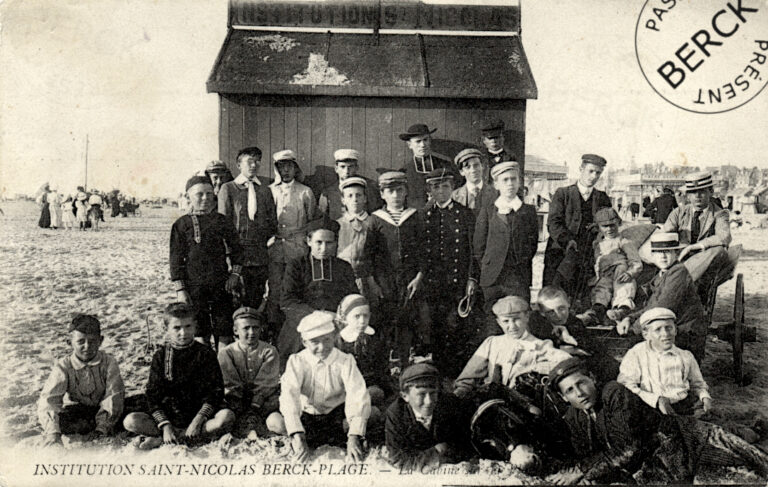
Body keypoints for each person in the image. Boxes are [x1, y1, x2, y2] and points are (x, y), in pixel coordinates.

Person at [549, 358, 768, 484]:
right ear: (563, 398)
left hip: (686, 441)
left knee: (750, 459)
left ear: (593, 379)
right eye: (569, 390)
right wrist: (580, 470)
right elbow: (588, 453)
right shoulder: (574, 417)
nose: (579, 393)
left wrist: (582, 470)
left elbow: (628, 448)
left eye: (582, 383)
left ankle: (752, 427)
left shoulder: (613, 393)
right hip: (655, 462)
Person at [123, 303, 235, 449]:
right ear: (166, 329)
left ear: (195, 326)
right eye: (177, 328)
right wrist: (166, 426)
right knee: (130, 421)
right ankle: (178, 436)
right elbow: (153, 394)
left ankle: (167, 440)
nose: (183, 333)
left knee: (227, 417)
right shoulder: (161, 356)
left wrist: (198, 421)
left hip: (199, 416)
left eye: (188, 326)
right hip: (170, 416)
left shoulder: (206, 354)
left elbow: (216, 392)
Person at [267, 311, 371, 462]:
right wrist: (297, 434)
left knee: (370, 414)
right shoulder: (297, 361)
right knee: (274, 421)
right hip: (308, 417)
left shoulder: (345, 361)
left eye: (327, 339)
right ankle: (302, 441)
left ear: (334, 338)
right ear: (304, 342)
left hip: (337, 416)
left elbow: (357, 394)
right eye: (315, 342)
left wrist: (354, 436)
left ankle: (348, 439)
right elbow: (289, 396)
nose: (322, 347)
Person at [171, 176, 243, 349]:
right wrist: (181, 289)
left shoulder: (222, 221)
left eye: (209, 194)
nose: (205, 198)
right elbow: (175, 260)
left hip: (221, 284)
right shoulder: (181, 225)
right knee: (200, 329)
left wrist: (234, 274)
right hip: (194, 286)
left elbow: (237, 250)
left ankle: (223, 366)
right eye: (200, 194)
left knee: (224, 328)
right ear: (188, 197)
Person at [454, 296, 571, 398]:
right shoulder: (492, 343)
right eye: (505, 321)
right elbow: (468, 377)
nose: (512, 326)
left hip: (522, 405)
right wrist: (460, 392)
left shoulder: (541, 346)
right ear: (499, 322)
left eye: (517, 319)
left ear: (527, 317)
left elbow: (568, 363)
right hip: (491, 401)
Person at [422, 167, 478, 377]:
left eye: (445, 186)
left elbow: (473, 251)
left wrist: (472, 278)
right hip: (433, 284)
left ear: (453, 188)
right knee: (436, 328)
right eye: (436, 187)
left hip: (458, 281)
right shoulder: (425, 215)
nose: (441, 191)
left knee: (455, 328)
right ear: (430, 190)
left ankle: (457, 375)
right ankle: (439, 373)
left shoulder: (465, 214)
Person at [277, 222, 358, 367]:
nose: (324, 248)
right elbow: (287, 300)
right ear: (309, 241)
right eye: (318, 242)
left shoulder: (343, 267)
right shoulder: (296, 265)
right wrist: (317, 316)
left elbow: (352, 299)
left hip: (335, 323)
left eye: (329, 243)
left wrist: (341, 317)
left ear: (336, 243)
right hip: (302, 321)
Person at [368, 171, 429, 361]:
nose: (395, 195)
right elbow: (367, 255)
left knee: (407, 321)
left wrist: (419, 277)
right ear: (382, 194)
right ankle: (384, 368)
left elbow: (424, 251)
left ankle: (405, 363)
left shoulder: (415, 217)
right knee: (385, 321)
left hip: (410, 281)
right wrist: (373, 283)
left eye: (399, 190)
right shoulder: (375, 220)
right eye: (390, 191)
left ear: (405, 192)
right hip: (385, 281)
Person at [38, 314, 125, 446]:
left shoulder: (109, 362)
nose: (87, 346)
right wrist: (53, 432)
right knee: (60, 422)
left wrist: (102, 429)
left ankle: (103, 428)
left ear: (100, 340)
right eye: (81, 342)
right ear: (70, 342)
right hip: (78, 412)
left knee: (129, 414)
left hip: (105, 411)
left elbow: (113, 396)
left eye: (92, 341)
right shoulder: (64, 366)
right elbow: (50, 399)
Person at [618, 232, 707, 361]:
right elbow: (651, 307)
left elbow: (660, 308)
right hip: (668, 331)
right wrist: (629, 318)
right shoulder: (661, 275)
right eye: (659, 252)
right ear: (653, 255)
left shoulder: (678, 272)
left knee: (634, 355)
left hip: (684, 336)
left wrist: (633, 330)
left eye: (668, 252)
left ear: (676, 254)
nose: (663, 257)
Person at [543, 154, 612, 302]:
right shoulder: (563, 194)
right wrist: (567, 240)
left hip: (587, 256)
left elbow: (610, 224)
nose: (594, 176)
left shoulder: (602, 198)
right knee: (554, 297)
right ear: (581, 169)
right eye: (590, 171)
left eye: (598, 173)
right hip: (560, 254)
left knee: (581, 298)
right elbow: (553, 223)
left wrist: (599, 230)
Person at [618, 308, 711, 416]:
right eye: (658, 330)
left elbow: (698, 384)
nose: (665, 334)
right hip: (649, 405)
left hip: (681, 405)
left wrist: (705, 397)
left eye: (669, 328)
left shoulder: (686, 356)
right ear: (646, 334)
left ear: (675, 330)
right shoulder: (637, 354)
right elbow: (626, 385)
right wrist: (656, 400)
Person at [218, 147, 278, 311]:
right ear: (239, 165)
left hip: (259, 254)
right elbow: (223, 224)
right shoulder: (228, 189)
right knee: (236, 298)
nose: (254, 165)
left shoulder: (265, 190)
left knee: (256, 297)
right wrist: (229, 254)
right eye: (249, 161)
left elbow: (272, 222)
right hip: (237, 253)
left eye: (257, 161)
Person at [385, 363, 474, 472]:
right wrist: (436, 452)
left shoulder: (451, 406)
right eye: (421, 394)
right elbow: (397, 459)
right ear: (405, 396)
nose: (429, 401)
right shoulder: (396, 414)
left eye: (433, 393)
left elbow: (466, 447)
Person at [473, 161, 538, 311]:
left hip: (518, 278)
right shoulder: (488, 211)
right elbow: (479, 246)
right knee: (491, 319)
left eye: (513, 179)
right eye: (505, 180)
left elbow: (531, 245)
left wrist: (518, 264)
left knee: (519, 315)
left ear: (519, 182)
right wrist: (489, 264)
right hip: (492, 279)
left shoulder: (528, 212)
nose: (510, 184)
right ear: (496, 184)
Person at [268, 149, 318, 333]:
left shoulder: (305, 192)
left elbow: (312, 218)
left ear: (295, 167)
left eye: (289, 166)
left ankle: (300, 329)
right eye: (281, 167)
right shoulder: (270, 191)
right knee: (276, 289)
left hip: (298, 246)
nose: (286, 171)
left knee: (298, 287)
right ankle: (275, 329)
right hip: (276, 246)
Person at [662, 171, 731, 303]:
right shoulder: (679, 212)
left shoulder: (720, 214)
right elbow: (666, 232)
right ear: (688, 195)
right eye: (693, 192)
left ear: (710, 192)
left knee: (718, 252)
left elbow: (724, 236)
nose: (697, 196)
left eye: (702, 191)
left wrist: (694, 247)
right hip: (680, 258)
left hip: (705, 260)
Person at [531, 286, 620, 383]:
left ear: (568, 303)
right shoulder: (538, 326)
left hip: (580, 364)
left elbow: (596, 346)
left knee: (609, 364)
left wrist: (571, 339)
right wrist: (567, 348)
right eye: (551, 312)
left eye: (561, 308)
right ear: (542, 313)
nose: (558, 315)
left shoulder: (574, 322)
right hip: (557, 368)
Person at [217, 307, 280, 437]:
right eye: (246, 328)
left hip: (262, 398)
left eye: (255, 328)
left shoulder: (269, 351)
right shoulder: (227, 352)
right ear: (236, 330)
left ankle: (257, 422)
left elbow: (266, 383)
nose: (251, 332)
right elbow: (229, 381)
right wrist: (239, 402)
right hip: (236, 398)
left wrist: (255, 405)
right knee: (224, 409)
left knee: (275, 404)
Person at [579, 207, 642, 325]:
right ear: (599, 227)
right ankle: (597, 310)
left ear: (618, 223)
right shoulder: (598, 244)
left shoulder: (624, 242)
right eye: (605, 226)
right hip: (605, 273)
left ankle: (622, 309)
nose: (609, 229)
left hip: (621, 272)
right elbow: (596, 261)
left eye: (612, 225)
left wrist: (630, 273)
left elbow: (636, 262)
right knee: (602, 289)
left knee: (623, 288)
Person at [334, 294, 388, 409]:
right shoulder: (340, 341)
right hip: (346, 386)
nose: (362, 321)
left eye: (366, 316)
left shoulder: (374, 338)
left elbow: (381, 368)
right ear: (345, 317)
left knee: (374, 394)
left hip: (370, 383)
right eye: (357, 316)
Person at [335, 176, 380, 301]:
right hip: (344, 278)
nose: (354, 200)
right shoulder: (337, 224)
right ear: (343, 200)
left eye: (358, 195)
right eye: (350, 196)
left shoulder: (373, 222)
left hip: (369, 279)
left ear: (365, 199)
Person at [397, 124, 454, 209]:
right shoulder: (405, 171)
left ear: (430, 141)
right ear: (409, 145)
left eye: (425, 140)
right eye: (418, 141)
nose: (423, 145)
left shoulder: (445, 165)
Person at [318, 149, 382, 220]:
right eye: (342, 167)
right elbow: (323, 218)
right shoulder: (328, 192)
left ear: (356, 168)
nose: (346, 171)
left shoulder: (369, 188)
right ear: (336, 169)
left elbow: (375, 216)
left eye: (350, 167)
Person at [451, 148, 497, 216]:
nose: (473, 170)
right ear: (462, 172)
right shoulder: (454, 197)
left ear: (482, 166)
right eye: (468, 167)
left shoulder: (496, 193)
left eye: (476, 165)